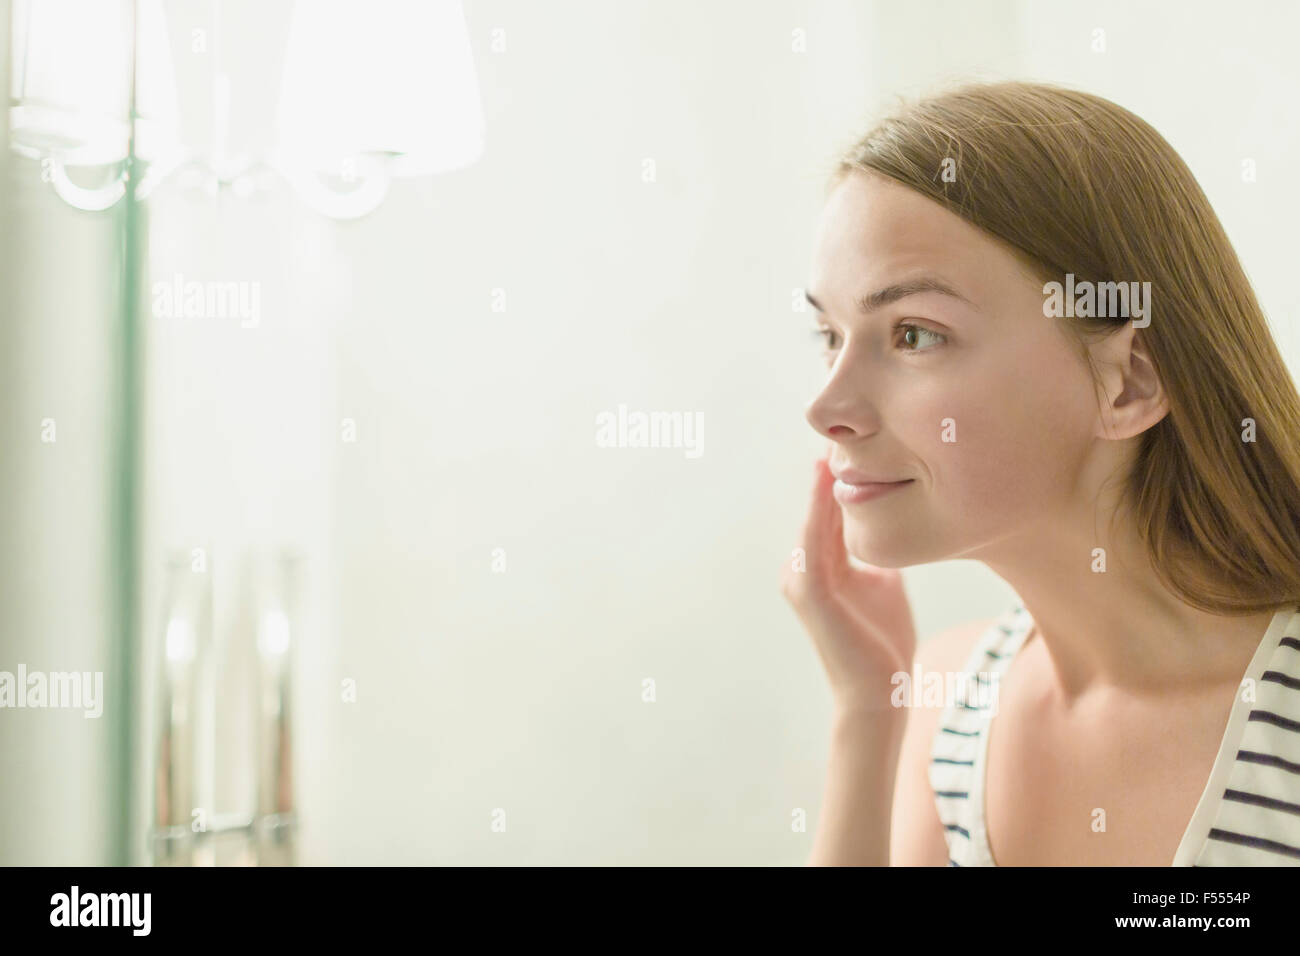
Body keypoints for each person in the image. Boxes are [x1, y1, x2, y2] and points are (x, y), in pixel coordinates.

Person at [781, 80, 1300, 866]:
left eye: (914, 334)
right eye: (829, 332)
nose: (827, 407)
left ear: (1128, 382)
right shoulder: (946, 705)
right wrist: (866, 710)